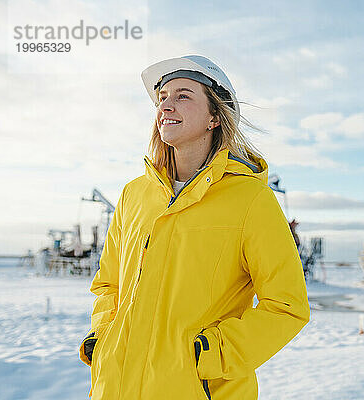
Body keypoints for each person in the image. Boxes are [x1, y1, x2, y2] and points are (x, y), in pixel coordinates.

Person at [79, 55, 310, 400]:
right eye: (162, 98)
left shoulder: (251, 199)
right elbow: (109, 282)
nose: (166, 106)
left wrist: (213, 355)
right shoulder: (133, 195)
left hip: (198, 389)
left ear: (215, 117)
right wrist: (102, 337)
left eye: (183, 96)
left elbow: (287, 306)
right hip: (114, 387)